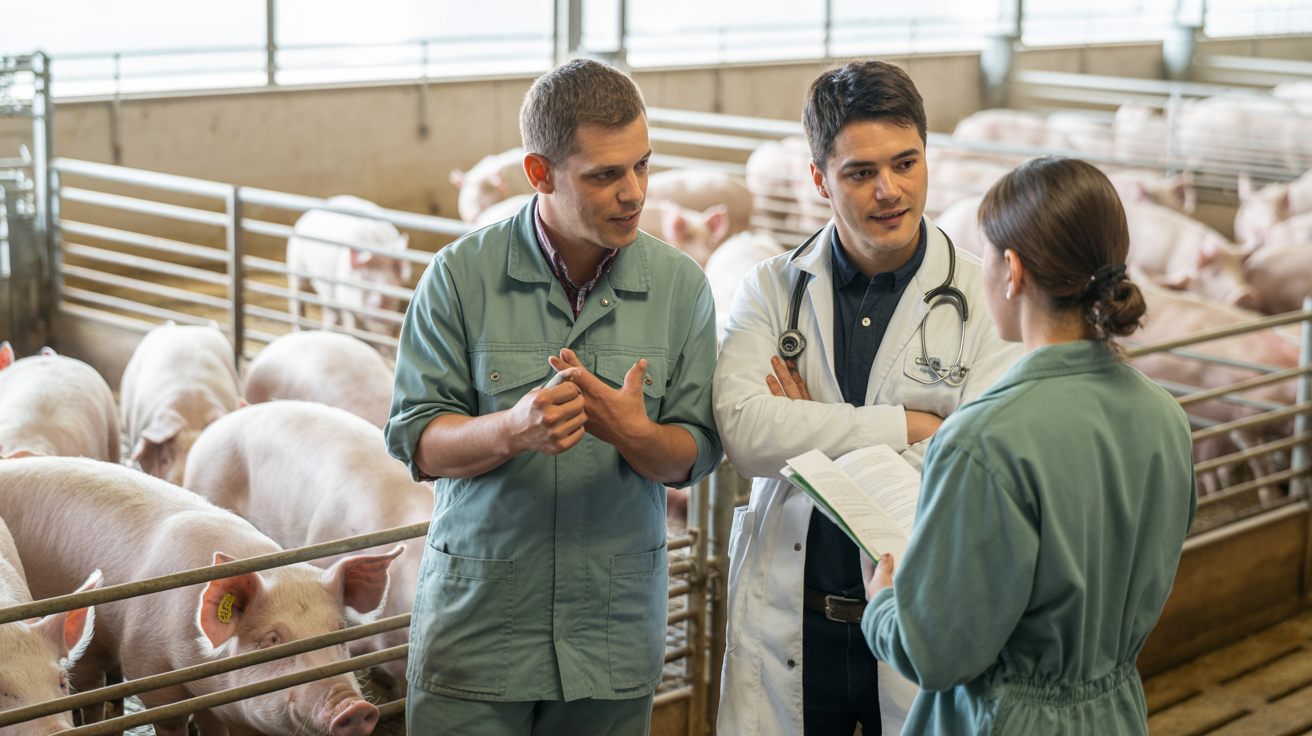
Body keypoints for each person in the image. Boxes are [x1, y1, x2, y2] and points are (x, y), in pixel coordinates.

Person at [385, 59, 722, 736]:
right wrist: (510, 430)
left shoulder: (682, 288)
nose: (634, 193)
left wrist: (635, 433)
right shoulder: (459, 277)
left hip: (610, 634)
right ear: (539, 173)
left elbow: (694, 452)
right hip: (480, 633)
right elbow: (416, 439)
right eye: (604, 175)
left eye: (642, 166)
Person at [713, 60, 1021, 735]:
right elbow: (746, 433)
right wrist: (910, 426)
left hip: (919, 620)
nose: (890, 191)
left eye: (906, 163)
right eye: (860, 173)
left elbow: (976, 465)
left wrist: (808, 425)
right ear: (819, 179)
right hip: (795, 624)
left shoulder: (985, 301)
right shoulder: (770, 289)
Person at [859, 156, 1197, 734]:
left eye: (986, 254)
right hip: (1115, 712)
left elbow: (935, 653)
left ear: (1011, 271)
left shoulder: (983, 439)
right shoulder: (1164, 416)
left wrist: (884, 605)